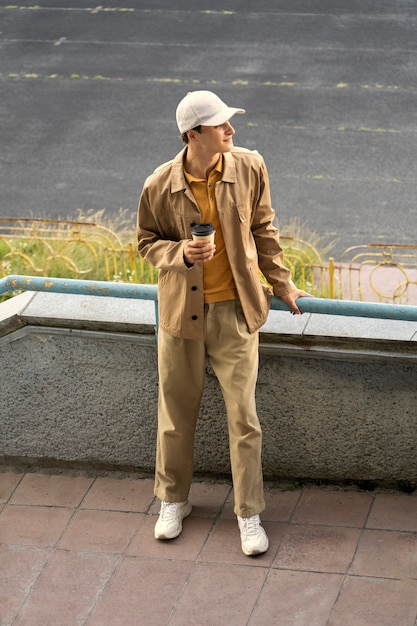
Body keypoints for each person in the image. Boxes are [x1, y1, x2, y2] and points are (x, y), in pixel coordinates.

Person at [137, 90, 310, 556]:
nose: (230, 130)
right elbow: (146, 243)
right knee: (175, 415)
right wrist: (180, 253)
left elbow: (264, 230)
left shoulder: (250, 166)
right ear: (193, 135)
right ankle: (172, 501)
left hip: (235, 311)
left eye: (228, 122)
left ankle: (248, 513)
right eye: (219, 124)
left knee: (244, 417)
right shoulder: (158, 184)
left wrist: (283, 284)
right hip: (180, 316)